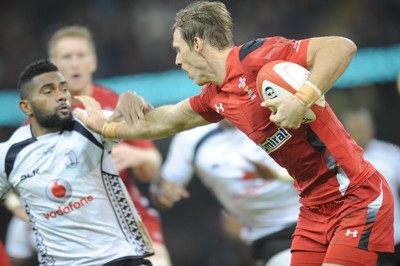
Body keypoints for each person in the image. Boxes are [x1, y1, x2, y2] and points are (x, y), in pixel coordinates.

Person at [75, 1, 395, 265]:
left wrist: (302, 99)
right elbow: (167, 120)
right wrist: (107, 127)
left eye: (178, 49)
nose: (177, 60)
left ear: (197, 44)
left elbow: (341, 47)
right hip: (313, 207)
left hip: (355, 195)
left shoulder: (257, 58)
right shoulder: (216, 95)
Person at [5, 26, 171, 266]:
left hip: (126, 219)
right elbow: (12, 178)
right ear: (53, 66)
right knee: (17, 237)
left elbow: (151, 168)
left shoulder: (114, 106)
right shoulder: (36, 123)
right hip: (69, 225)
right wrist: (16, 206)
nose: (74, 64)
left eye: (81, 55)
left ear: (92, 62)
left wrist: (138, 156)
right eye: (66, 57)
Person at [151, 119, 300, 265]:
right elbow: (160, 192)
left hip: (317, 213)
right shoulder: (191, 138)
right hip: (272, 235)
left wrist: (282, 176)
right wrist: (164, 193)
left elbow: (320, 159)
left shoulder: (278, 114)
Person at [341, 108, 400, 266]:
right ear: (346, 130)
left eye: (364, 127)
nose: (361, 132)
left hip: (396, 234)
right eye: (356, 128)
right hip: (363, 241)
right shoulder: (339, 160)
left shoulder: (390, 152)